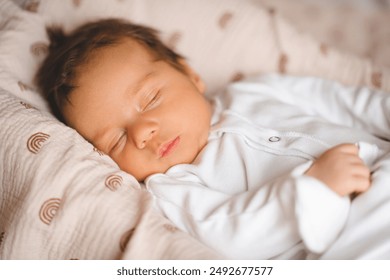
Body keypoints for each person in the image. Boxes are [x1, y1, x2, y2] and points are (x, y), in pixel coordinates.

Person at [36, 19, 390, 259]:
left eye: (150, 99)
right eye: (115, 140)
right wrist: (315, 189)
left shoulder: (253, 90)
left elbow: (347, 103)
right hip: (351, 239)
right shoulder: (171, 190)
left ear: (190, 75)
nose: (142, 132)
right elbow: (233, 237)